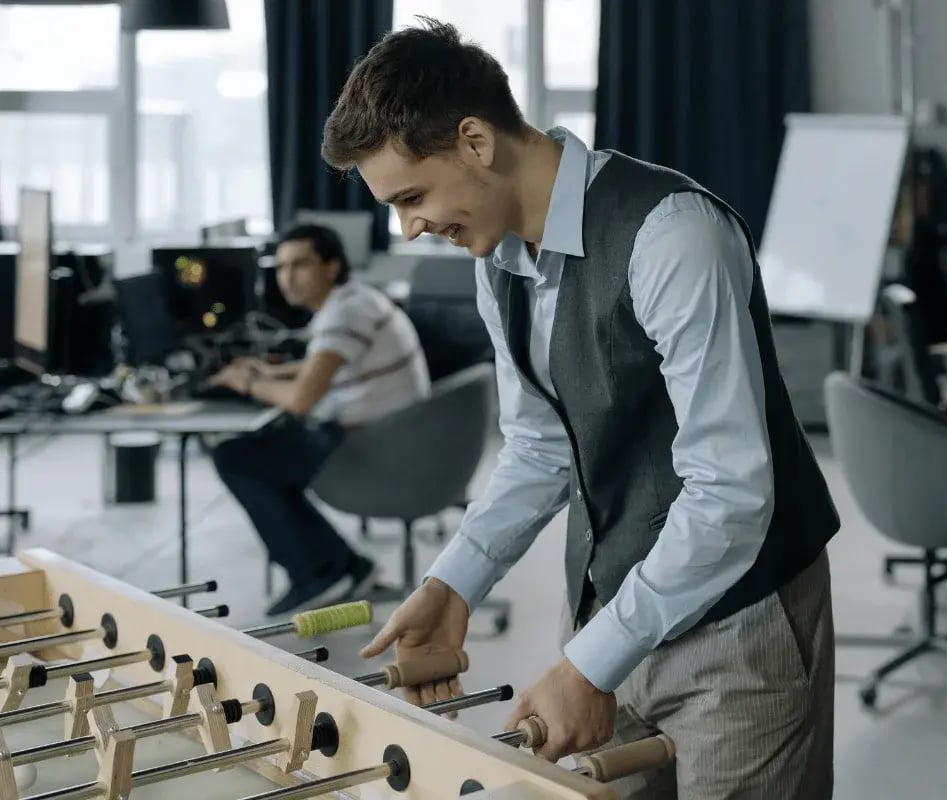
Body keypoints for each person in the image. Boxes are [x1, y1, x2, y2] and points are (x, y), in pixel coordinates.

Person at [323, 19, 841, 799]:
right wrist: (454, 583)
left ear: (475, 141)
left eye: (412, 197)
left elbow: (731, 491)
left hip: (742, 624)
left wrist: (589, 663)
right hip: (615, 616)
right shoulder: (495, 259)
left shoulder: (673, 236)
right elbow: (540, 447)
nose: (411, 228)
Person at [210, 223, 431, 616]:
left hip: (377, 451)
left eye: (299, 265)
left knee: (236, 457)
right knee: (266, 452)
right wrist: (272, 372)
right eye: (281, 267)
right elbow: (324, 364)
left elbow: (301, 400)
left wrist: (248, 382)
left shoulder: (343, 314)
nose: (287, 277)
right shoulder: (353, 299)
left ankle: (317, 572)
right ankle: (343, 566)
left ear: (331, 266)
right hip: (394, 435)